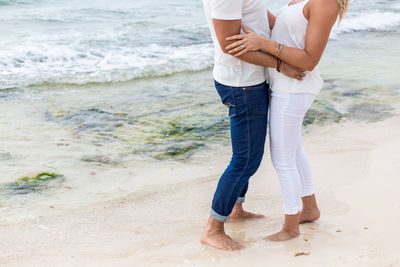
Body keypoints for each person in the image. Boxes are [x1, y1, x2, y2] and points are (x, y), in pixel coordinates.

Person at [225, 0, 349, 241]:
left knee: (282, 160)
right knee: (293, 151)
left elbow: (309, 60)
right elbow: (284, 27)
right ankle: (310, 209)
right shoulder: (299, 0)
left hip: (296, 87)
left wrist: (263, 44)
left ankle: (291, 228)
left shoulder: (325, 3)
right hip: (283, 84)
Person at [200, 0, 306, 251]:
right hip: (240, 84)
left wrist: (300, 26)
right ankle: (212, 228)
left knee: (247, 152)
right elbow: (228, 45)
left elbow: (259, 15)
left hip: (252, 78)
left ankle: (236, 208)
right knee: (246, 159)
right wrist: (281, 64)